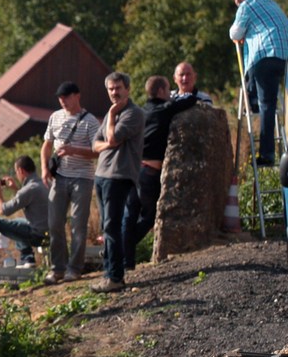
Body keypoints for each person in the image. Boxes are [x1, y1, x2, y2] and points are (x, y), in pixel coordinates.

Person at [127, 76, 198, 261]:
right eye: (168, 89)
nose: (170, 93)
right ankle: (119, 248)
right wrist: (179, 96)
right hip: (149, 172)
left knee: (131, 215)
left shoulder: (143, 111)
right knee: (149, 217)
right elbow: (190, 99)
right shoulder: (164, 109)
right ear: (160, 91)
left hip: (135, 170)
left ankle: (120, 256)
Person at [41, 81, 101, 285]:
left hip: (82, 177)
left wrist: (74, 150)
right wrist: (44, 168)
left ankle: (74, 269)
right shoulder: (55, 117)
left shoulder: (91, 121)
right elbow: (46, 145)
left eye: (67, 97)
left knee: (78, 225)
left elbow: (97, 151)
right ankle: (57, 268)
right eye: (60, 98)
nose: (63, 101)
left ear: (77, 96)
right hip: (60, 176)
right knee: (55, 223)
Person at [91, 71, 145, 293]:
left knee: (112, 227)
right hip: (102, 174)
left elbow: (112, 138)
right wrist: (107, 144)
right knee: (107, 227)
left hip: (119, 176)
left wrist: (112, 114)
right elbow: (95, 144)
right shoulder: (110, 115)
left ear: (127, 89)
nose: (114, 93)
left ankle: (115, 277)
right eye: (111, 89)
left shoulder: (134, 113)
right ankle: (108, 274)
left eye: (118, 88)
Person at [230, 0, 288, 166]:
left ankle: (267, 154)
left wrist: (240, 35)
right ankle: (252, 98)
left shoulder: (248, 5)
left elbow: (235, 33)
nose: (238, 0)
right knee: (269, 100)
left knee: (267, 106)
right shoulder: (270, 2)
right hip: (283, 55)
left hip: (265, 54)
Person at [0, 155, 49, 273]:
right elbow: (26, 200)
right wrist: (15, 188)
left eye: (16, 172)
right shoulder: (44, 183)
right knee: (17, 222)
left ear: (20, 171)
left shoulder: (28, 189)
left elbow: (4, 210)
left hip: (38, 235)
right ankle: (27, 258)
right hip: (50, 233)